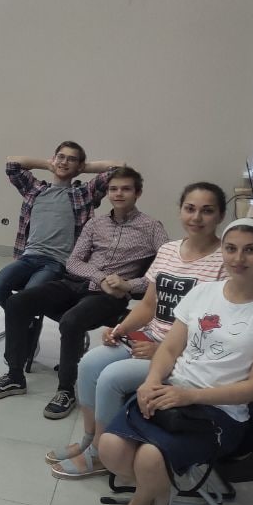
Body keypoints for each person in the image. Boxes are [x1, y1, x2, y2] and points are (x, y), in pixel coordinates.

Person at [98, 219, 253, 505]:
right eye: (230, 249)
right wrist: (151, 382)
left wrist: (188, 396)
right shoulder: (204, 293)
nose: (238, 258)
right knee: (110, 448)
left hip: (220, 411)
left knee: (149, 459)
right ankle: (160, 496)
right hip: (172, 391)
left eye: (250, 250)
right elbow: (170, 349)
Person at [49, 183, 228, 479]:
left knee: (111, 378)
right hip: (149, 339)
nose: (197, 217)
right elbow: (147, 305)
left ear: (220, 216)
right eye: (190, 209)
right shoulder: (168, 251)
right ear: (180, 211)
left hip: (183, 355)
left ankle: (101, 455)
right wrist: (121, 329)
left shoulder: (224, 262)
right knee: (89, 365)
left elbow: (217, 328)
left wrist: (162, 351)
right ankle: (90, 439)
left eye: (207, 211)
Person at [0, 166, 167, 417]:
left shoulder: (152, 227)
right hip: (75, 283)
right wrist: (100, 277)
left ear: (138, 193)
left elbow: (166, 271)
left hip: (110, 296)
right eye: (113, 189)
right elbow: (73, 262)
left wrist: (128, 285)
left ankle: (66, 389)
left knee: (71, 321)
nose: (118, 194)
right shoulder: (96, 223)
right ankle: (15, 376)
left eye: (126, 189)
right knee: (17, 303)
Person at [0, 142, 122, 309]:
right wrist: (48, 165)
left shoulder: (84, 194)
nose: (64, 162)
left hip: (57, 263)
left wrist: (83, 168)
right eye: (61, 157)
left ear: (79, 165)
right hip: (28, 257)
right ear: (54, 158)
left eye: (71, 159)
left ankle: (22, 319)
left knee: (29, 296)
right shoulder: (35, 190)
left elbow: (119, 168)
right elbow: (12, 163)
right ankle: (25, 320)